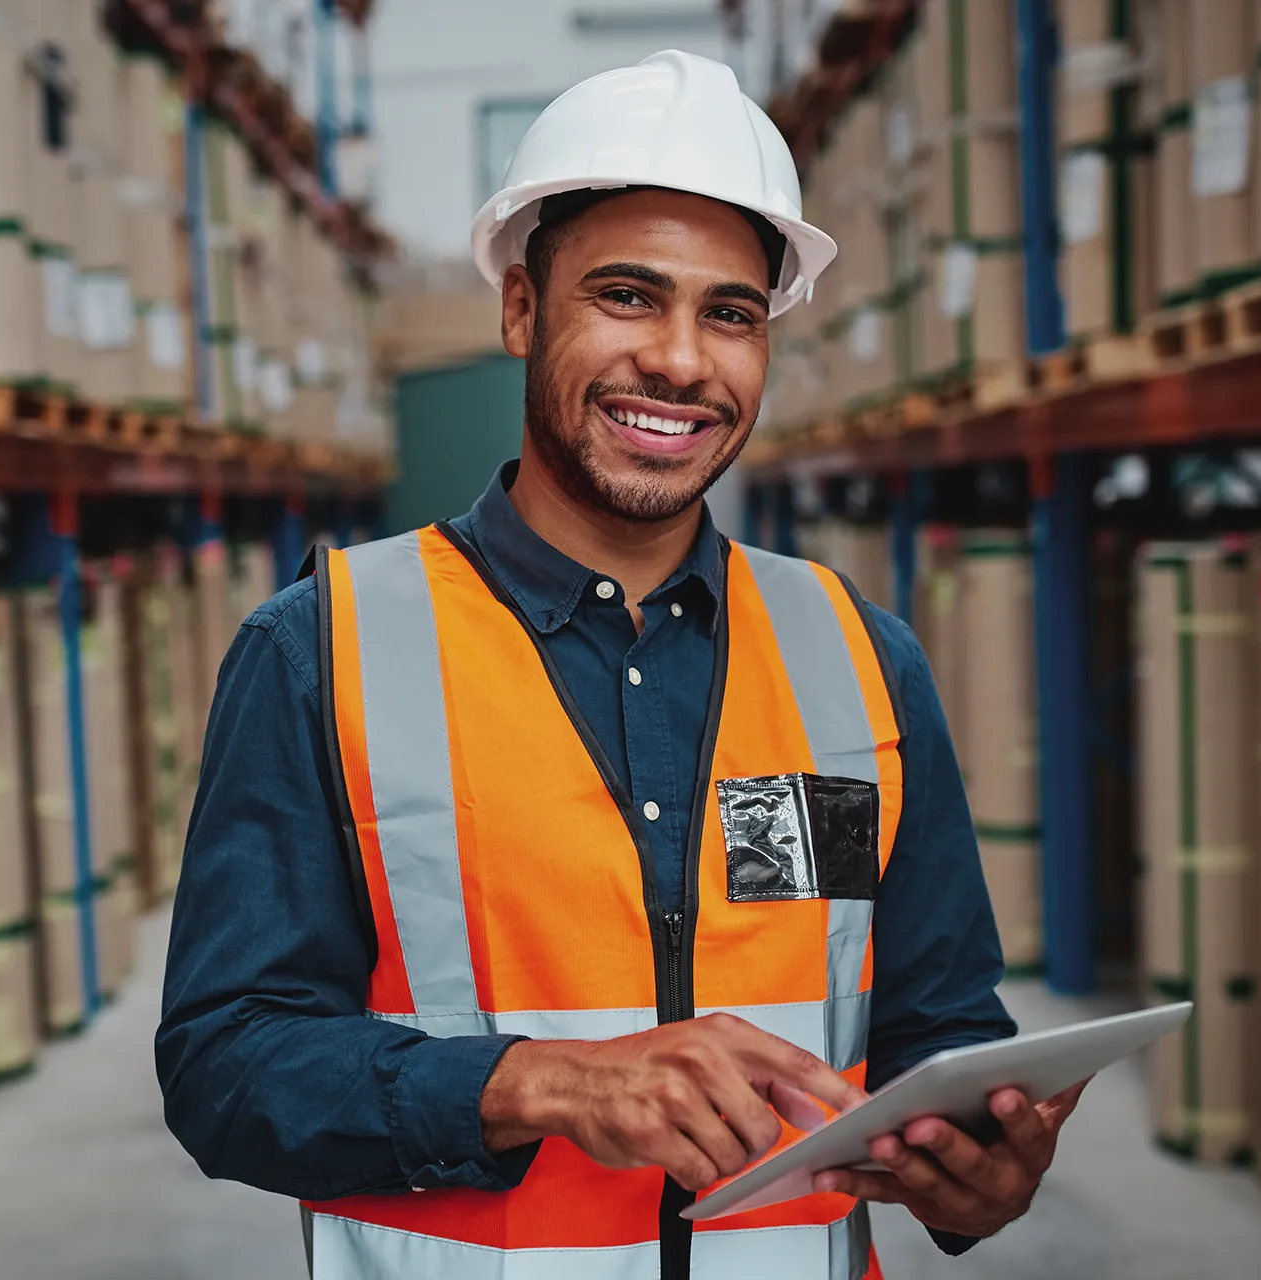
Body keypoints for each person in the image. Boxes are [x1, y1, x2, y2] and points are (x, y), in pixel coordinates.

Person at [157, 50, 1084, 1280]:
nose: (684, 363)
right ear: (521, 311)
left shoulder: (857, 658)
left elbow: (937, 1023)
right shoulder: (324, 648)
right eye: (629, 296)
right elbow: (225, 1067)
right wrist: (538, 1082)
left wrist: (979, 1167)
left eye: (730, 313)